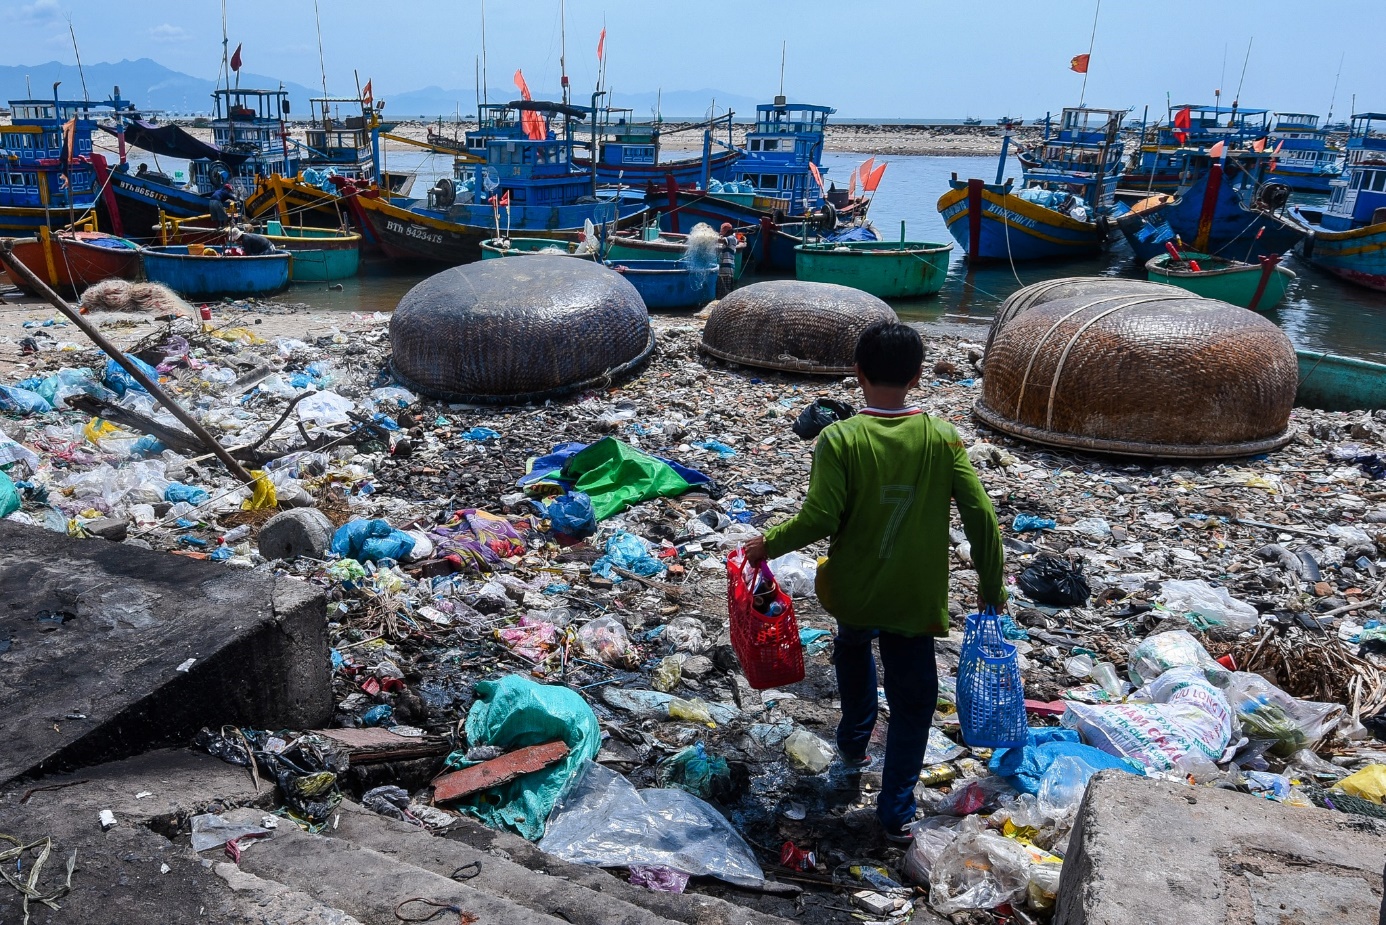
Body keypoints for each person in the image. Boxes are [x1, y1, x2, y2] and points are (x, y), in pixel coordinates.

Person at [745, 321, 1007, 843]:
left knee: (853, 644)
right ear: (916, 376)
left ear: (858, 373)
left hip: (854, 591)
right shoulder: (941, 436)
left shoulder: (839, 438)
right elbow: (980, 514)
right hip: (913, 599)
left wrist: (765, 544)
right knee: (913, 704)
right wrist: (991, 584)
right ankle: (894, 812)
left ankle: (852, 744)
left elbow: (820, 518)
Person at [716, 222, 738, 299]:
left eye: (722, 231)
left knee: (725, 295)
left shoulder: (732, 239)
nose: (721, 233)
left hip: (727, 270)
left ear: (728, 231)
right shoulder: (728, 239)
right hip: (722, 270)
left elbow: (721, 240)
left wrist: (707, 238)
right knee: (720, 293)